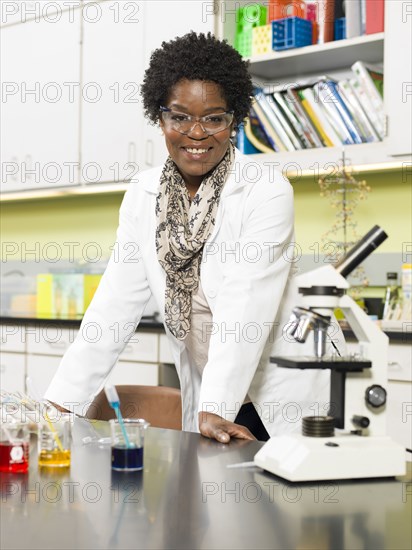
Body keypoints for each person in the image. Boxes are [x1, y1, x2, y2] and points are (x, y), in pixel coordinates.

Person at [45, 32, 336, 443]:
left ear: (233, 119)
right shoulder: (143, 195)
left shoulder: (265, 190)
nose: (196, 133)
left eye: (213, 118)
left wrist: (215, 407)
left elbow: (245, 306)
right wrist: (60, 404)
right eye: (180, 116)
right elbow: (112, 310)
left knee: (286, 500)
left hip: (281, 387)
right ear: (159, 117)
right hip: (212, 393)